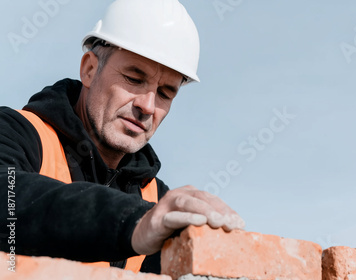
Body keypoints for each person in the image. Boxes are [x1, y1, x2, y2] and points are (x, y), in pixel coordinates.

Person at [0, 0, 244, 274]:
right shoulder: (15, 133)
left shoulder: (156, 200)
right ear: (90, 70)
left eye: (165, 93)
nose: (148, 106)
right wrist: (133, 222)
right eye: (133, 78)